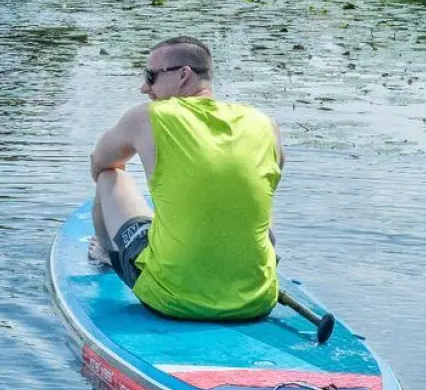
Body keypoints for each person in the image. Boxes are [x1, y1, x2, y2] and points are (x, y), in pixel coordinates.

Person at [89, 36, 284, 321]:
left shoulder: (147, 117)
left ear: (183, 75)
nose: (145, 88)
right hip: (257, 300)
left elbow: (99, 162)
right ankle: (242, 271)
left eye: (151, 77)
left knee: (110, 175)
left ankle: (109, 255)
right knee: (257, 193)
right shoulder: (265, 124)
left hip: (170, 297)